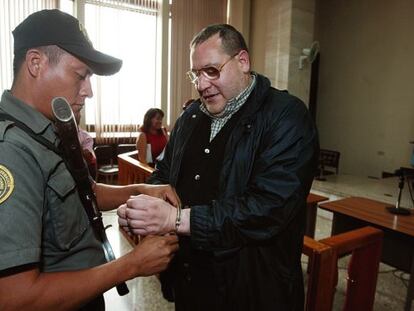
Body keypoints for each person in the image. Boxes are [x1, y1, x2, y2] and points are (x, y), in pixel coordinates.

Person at [118, 24, 319, 310]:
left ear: (242, 62)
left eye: (211, 71)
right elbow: (164, 175)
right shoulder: (189, 117)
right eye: (196, 74)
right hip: (190, 281)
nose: (201, 85)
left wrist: (176, 220)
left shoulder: (287, 117)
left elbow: (269, 207)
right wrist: (141, 206)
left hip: (252, 289)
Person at [0, 9, 179, 311]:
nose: (89, 91)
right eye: (80, 75)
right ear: (35, 63)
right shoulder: (12, 150)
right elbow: (15, 298)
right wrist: (131, 265)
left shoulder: (46, 130)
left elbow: (83, 191)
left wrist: (139, 190)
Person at [74, 106, 97, 178]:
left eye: (76, 112)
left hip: (83, 171)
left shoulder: (86, 136)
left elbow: (88, 158)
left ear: (79, 116)